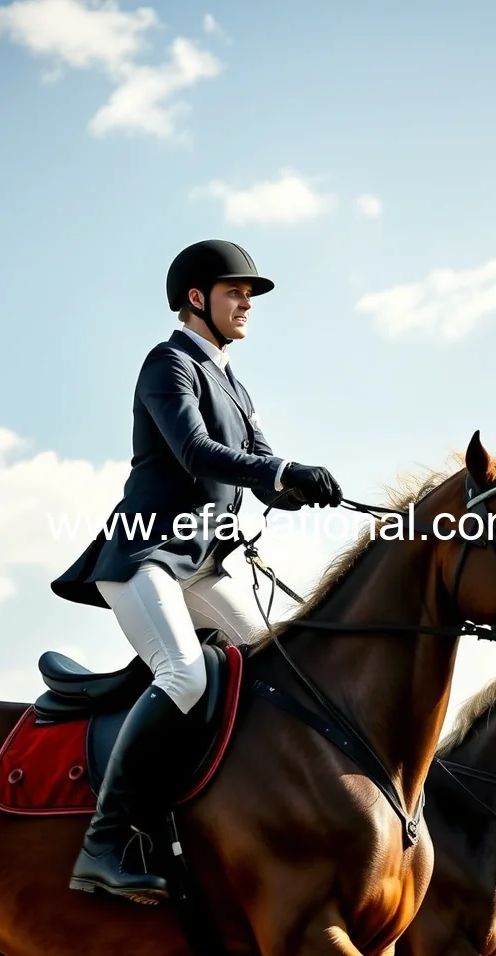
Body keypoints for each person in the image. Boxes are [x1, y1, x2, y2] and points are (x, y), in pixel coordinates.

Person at [51, 239, 343, 902]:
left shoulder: (234, 383)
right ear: (196, 298)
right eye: (235, 292)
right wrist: (281, 470)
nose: (247, 304)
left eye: (249, 295)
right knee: (183, 673)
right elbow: (194, 451)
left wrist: (299, 487)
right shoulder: (168, 363)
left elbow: (262, 471)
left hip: (201, 565)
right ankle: (104, 843)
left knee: (280, 672)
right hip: (144, 555)